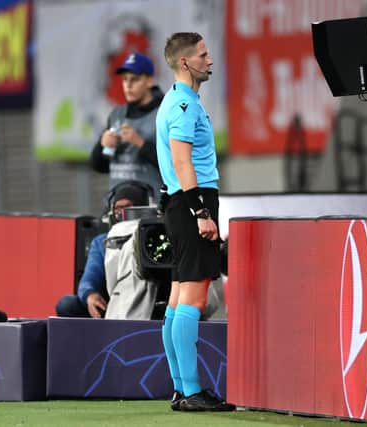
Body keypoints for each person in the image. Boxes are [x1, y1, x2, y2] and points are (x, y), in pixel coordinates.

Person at [156, 32, 234, 412]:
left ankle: (180, 388)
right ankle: (190, 391)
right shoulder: (183, 106)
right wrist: (201, 212)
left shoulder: (174, 100)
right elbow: (182, 161)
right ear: (185, 62)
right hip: (192, 202)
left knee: (177, 297)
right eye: (204, 55)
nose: (211, 60)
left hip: (179, 203)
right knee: (194, 296)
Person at [55, 182, 151, 318]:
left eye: (128, 208)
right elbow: (89, 279)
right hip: (111, 306)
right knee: (67, 304)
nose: (121, 214)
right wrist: (90, 295)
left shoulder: (157, 239)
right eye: (118, 208)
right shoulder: (102, 242)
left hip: (148, 304)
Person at [89, 52, 164, 198]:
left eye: (134, 79)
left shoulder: (164, 113)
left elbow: (176, 164)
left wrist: (140, 143)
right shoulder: (117, 114)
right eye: (125, 79)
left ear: (149, 81)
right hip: (117, 203)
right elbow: (99, 166)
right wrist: (103, 145)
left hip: (153, 206)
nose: (128, 85)